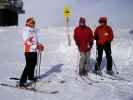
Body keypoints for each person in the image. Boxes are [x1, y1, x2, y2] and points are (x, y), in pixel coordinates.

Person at [19, 17, 44, 87]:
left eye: (34, 23)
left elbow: (35, 41)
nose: (33, 24)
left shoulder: (33, 31)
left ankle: (30, 77)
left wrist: (39, 45)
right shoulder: (26, 30)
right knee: (29, 65)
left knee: (33, 63)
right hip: (28, 50)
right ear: (28, 23)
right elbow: (26, 41)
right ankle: (22, 81)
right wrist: (35, 46)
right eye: (32, 22)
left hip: (34, 50)